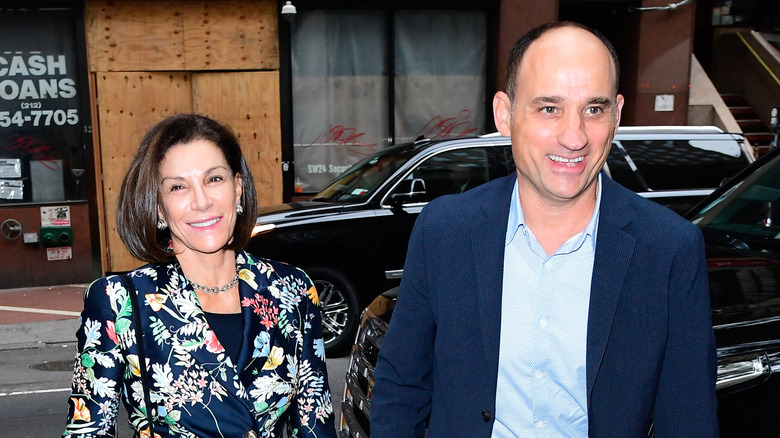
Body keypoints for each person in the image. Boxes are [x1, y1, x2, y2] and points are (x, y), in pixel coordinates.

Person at [370, 21, 718, 437]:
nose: (574, 137)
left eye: (594, 109)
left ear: (618, 115)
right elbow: (401, 387)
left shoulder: (669, 249)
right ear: (505, 113)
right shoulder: (445, 231)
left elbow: (689, 419)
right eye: (549, 108)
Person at [63, 114, 337, 438]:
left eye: (214, 179)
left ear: (237, 188)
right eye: (178, 187)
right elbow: (87, 431)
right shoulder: (118, 302)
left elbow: (315, 425)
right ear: (159, 208)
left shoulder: (292, 290)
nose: (202, 201)